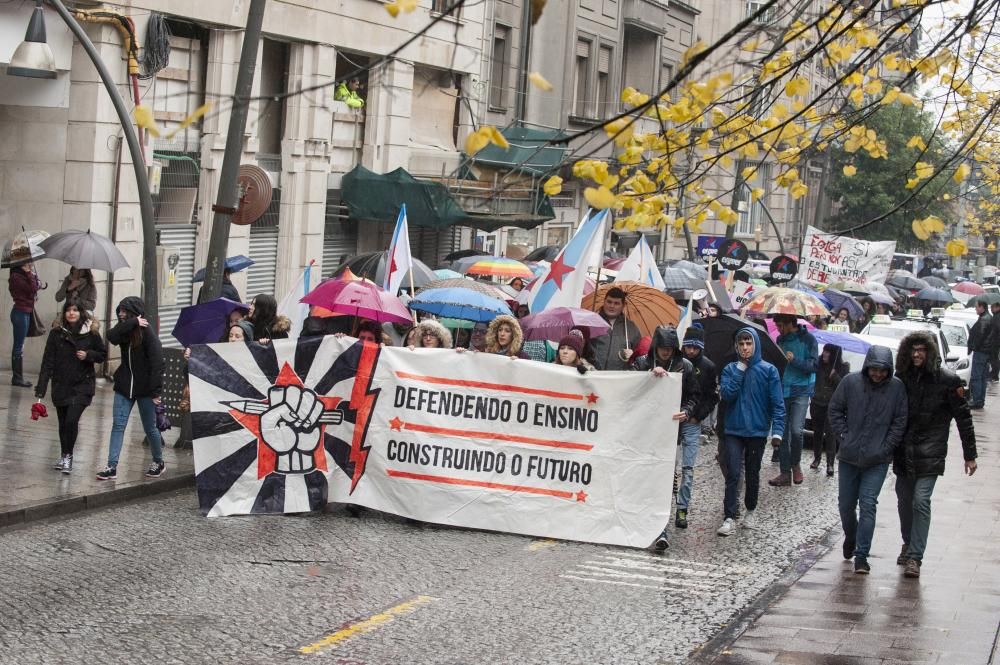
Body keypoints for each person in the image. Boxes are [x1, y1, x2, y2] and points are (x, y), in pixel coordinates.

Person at [893, 332, 977, 578]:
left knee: (920, 500)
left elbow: (964, 419)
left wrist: (969, 454)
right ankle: (908, 543)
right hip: (903, 451)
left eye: (922, 350)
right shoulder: (901, 379)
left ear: (930, 352)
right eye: (913, 349)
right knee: (903, 501)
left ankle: (915, 557)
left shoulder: (949, 381)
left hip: (931, 451)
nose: (917, 354)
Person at [828, 345, 908, 574]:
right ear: (867, 366)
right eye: (874, 369)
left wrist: (887, 447)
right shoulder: (851, 382)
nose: (878, 374)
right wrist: (844, 435)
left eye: (883, 371)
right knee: (845, 505)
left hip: (878, 459)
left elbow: (899, 421)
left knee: (868, 504)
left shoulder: (896, 388)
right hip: (849, 456)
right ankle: (851, 537)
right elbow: (835, 410)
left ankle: (862, 555)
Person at [633, 326, 700, 550]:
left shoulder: (686, 366)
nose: (665, 352)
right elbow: (628, 389)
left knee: (665, 478)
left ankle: (661, 528)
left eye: (669, 349)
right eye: (662, 348)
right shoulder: (642, 363)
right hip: (644, 431)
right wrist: (647, 378)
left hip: (671, 433)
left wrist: (687, 411)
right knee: (643, 478)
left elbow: (693, 395)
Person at [717, 328, 785, 536]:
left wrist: (777, 431)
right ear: (736, 346)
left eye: (748, 343)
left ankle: (750, 509)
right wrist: (739, 369)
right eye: (741, 343)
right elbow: (727, 395)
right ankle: (729, 515)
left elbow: (777, 403)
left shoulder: (769, 371)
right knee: (733, 473)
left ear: (755, 345)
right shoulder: (730, 369)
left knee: (753, 472)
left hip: (756, 430)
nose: (745, 347)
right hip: (733, 430)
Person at [97, 297, 167, 481]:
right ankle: (111, 466)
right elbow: (111, 336)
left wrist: (156, 392)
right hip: (124, 386)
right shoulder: (125, 330)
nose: (120, 314)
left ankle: (158, 461)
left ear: (135, 312)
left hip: (145, 389)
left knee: (150, 428)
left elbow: (157, 362)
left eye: (125, 311)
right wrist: (132, 322)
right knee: (118, 426)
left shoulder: (147, 332)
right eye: (119, 310)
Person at [34, 301, 106, 474]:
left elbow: (102, 355)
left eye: (75, 310)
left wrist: (88, 355)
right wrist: (41, 388)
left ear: (81, 312)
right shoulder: (56, 334)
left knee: (71, 420)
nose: (71, 313)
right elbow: (47, 362)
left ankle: (68, 456)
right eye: (68, 310)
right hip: (61, 384)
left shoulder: (91, 333)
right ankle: (63, 454)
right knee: (62, 423)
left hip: (82, 385)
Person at [676, 324, 718, 530]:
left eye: (694, 347)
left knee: (688, 469)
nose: (690, 351)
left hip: (692, 424)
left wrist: (698, 417)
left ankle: (682, 508)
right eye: (687, 346)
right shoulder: (676, 363)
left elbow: (712, 396)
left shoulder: (708, 367)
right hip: (674, 422)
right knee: (671, 468)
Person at [770, 314, 818, 487]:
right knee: (782, 434)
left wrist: (794, 360)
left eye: (781, 325)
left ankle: (796, 464)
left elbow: (814, 366)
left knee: (797, 431)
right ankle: (784, 473)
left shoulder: (809, 340)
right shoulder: (779, 340)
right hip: (782, 390)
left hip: (801, 391)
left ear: (791, 323)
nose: (779, 329)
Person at [809, 344, 848, 477]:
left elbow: (845, 386)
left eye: (828, 352)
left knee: (831, 434)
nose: (824, 354)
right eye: (824, 351)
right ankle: (817, 458)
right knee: (817, 433)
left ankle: (830, 463)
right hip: (817, 403)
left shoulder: (843, 367)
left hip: (832, 406)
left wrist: (835, 376)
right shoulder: (818, 364)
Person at [590, 287, 641, 370]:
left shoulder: (632, 328)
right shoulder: (592, 322)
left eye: (616, 303)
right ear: (604, 301)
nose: (612, 306)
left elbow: (639, 358)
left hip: (618, 379)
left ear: (623, 305)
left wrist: (633, 355)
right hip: (592, 375)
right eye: (609, 302)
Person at [8, 262, 41, 387]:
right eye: (28, 261)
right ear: (21, 263)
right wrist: (28, 274)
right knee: (18, 346)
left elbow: (37, 286)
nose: (31, 264)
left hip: (26, 312)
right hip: (20, 313)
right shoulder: (16, 277)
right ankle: (17, 378)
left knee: (20, 345)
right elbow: (32, 289)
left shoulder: (25, 275)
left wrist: (31, 276)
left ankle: (18, 377)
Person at [966, 300, 993, 409]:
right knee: (982, 377)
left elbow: (980, 336)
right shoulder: (987, 318)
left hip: (981, 352)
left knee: (977, 377)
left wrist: (974, 347)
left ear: (982, 307)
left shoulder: (984, 320)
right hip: (986, 352)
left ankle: (977, 400)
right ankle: (980, 400)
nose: (975, 309)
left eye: (976, 307)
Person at [989, 301, 1000, 383]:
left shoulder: (997, 317)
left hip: (995, 341)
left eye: (993, 307)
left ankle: (995, 375)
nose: (991, 309)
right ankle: (994, 374)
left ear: (997, 307)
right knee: (994, 358)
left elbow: (996, 329)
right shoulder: (995, 316)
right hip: (995, 341)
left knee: (994, 358)